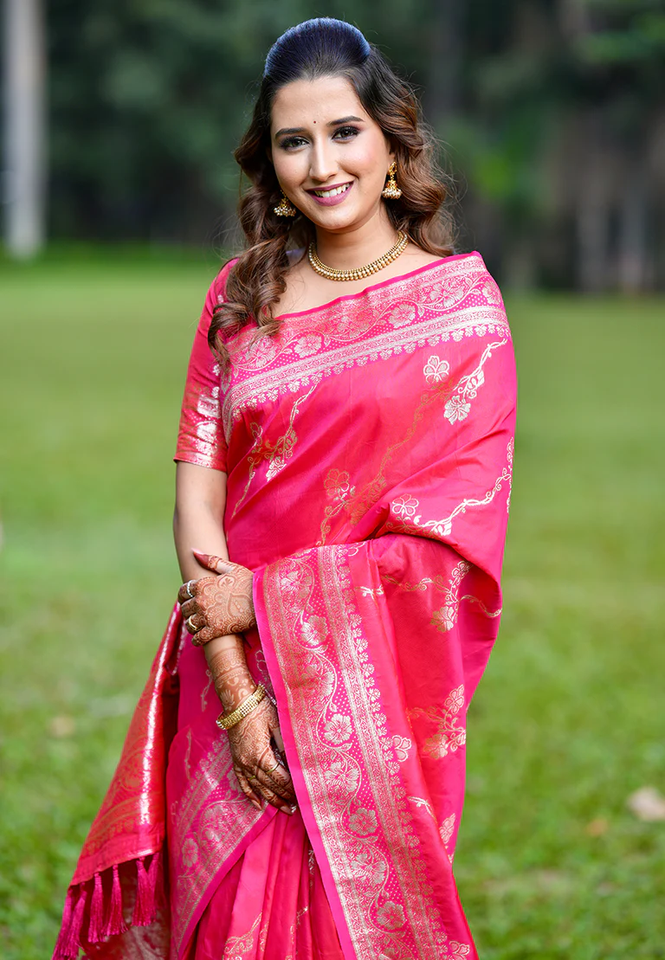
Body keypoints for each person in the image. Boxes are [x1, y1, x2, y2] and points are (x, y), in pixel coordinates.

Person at [53, 18, 516, 960]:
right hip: (221, 661)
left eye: (344, 132)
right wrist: (237, 694)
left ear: (391, 142)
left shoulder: (460, 314)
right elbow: (197, 500)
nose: (321, 164)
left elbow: (452, 549)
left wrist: (261, 597)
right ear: (268, 162)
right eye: (292, 141)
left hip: (365, 690)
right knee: (225, 921)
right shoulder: (239, 300)